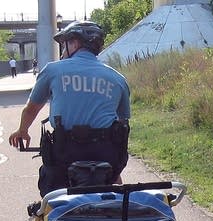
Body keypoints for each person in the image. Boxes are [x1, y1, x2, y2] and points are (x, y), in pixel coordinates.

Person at [8, 21, 131, 196]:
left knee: (51, 192)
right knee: (114, 182)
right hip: (105, 155)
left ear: (74, 43)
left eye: (64, 45)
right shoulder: (118, 78)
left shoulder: (52, 71)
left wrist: (22, 130)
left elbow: (31, 108)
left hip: (64, 156)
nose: (63, 50)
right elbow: (123, 121)